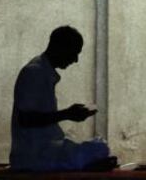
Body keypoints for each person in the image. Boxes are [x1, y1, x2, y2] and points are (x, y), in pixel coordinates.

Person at [10, 26, 118, 171]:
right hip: (33, 156)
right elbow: (25, 119)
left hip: (45, 151)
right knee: (99, 149)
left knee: (99, 146)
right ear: (60, 47)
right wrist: (67, 114)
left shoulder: (41, 71)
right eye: (74, 53)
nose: (75, 60)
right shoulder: (34, 72)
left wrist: (68, 114)